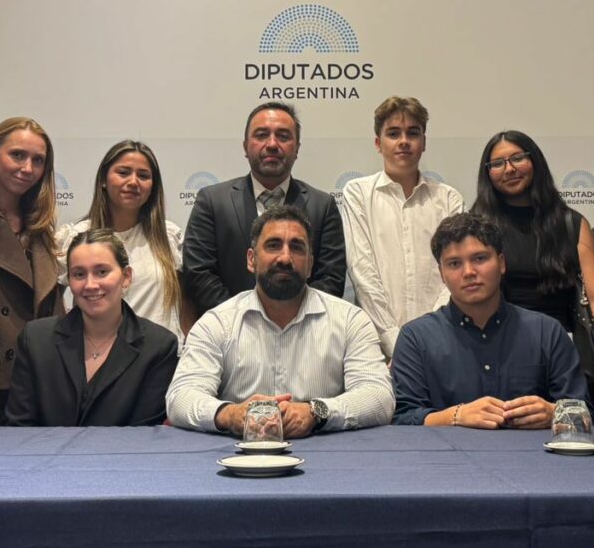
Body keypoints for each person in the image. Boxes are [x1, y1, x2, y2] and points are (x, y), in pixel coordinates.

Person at [167, 205, 393, 437]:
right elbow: (180, 396)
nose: (285, 258)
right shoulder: (217, 323)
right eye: (273, 245)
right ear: (251, 259)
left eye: (297, 247)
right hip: (239, 452)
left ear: (310, 264)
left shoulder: (350, 321)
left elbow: (379, 396)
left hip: (326, 452)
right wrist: (231, 414)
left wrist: (317, 411)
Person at [471, 131, 594, 418]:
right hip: (491, 352)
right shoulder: (475, 225)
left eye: (518, 158)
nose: (509, 169)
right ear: (488, 173)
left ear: (535, 162)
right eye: (498, 163)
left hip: (559, 356)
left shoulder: (570, 223)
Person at [392, 213, 587, 428]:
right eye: (454, 263)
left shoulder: (547, 332)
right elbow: (403, 418)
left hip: (533, 450)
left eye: (479, 258)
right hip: (445, 450)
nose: (469, 272)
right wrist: (456, 416)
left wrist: (555, 413)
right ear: (441, 273)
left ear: (501, 263)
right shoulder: (415, 338)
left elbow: (585, 413)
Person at [182, 102, 346, 313]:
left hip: (305, 330)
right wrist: (240, 319)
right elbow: (198, 273)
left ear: (297, 148)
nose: (272, 144)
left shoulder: (322, 206)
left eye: (283, 136)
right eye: (261, 135)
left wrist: (292, 320)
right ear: (245, 146)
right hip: (228, 328)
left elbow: (331, 279)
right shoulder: (212, 201)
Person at [5, 229, 179, 426]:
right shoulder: (36, 339)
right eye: (79, 274)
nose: (90, 284)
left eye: (102, 272)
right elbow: (20, 426)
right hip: (42, 447)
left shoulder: (159, 347)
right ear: (69, 280)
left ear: (126, 277)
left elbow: (144, 435)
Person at [343, 96, 464, 359]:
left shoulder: (448, 199)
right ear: (378, 143)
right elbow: (363, 273)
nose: (404, 141)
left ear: (424, 142)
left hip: (442, 343)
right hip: (375, 346)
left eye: (413, 133)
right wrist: (396, 343)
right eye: (393, 133)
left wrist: (430, 336)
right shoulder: (358, 193)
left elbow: (455, 273)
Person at [0, 117, 65, 420]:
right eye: (17, 155)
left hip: (39, 378)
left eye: (38, 160)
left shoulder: (40, 227)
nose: (27, 168)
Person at [62, 140, 185, 338]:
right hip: (97, 352)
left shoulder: (168, 236)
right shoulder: (77, 236)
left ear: (153, 186)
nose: (133, 182)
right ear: (103, 180)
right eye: (123, 172)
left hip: (163, 353)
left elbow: (187, 303)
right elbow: (51, 302)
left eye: (143, 176)